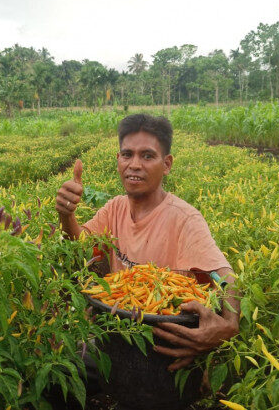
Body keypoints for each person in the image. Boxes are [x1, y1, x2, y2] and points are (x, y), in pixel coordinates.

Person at [55, 113, 239, 371]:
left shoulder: (184, 219)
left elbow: (224, 276)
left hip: (160, 344)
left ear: (167, 164)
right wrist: (66, 215)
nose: (135, 164)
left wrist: (230, 324)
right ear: (118, 160)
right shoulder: (115, 208)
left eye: (147, 156)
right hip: (120, 331)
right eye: (127, 154)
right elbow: (83, 242)